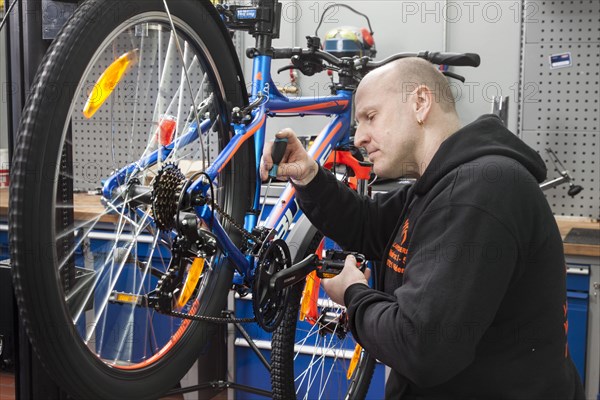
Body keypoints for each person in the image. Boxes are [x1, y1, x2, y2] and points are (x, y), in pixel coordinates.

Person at [260, 58, 584, 399]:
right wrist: (309, 176)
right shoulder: (438, 186)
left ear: (420, 103)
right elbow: (367, 223)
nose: (359, 137)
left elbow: (421, 348)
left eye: (370, 117)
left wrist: (354, 294)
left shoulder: (480, 192)